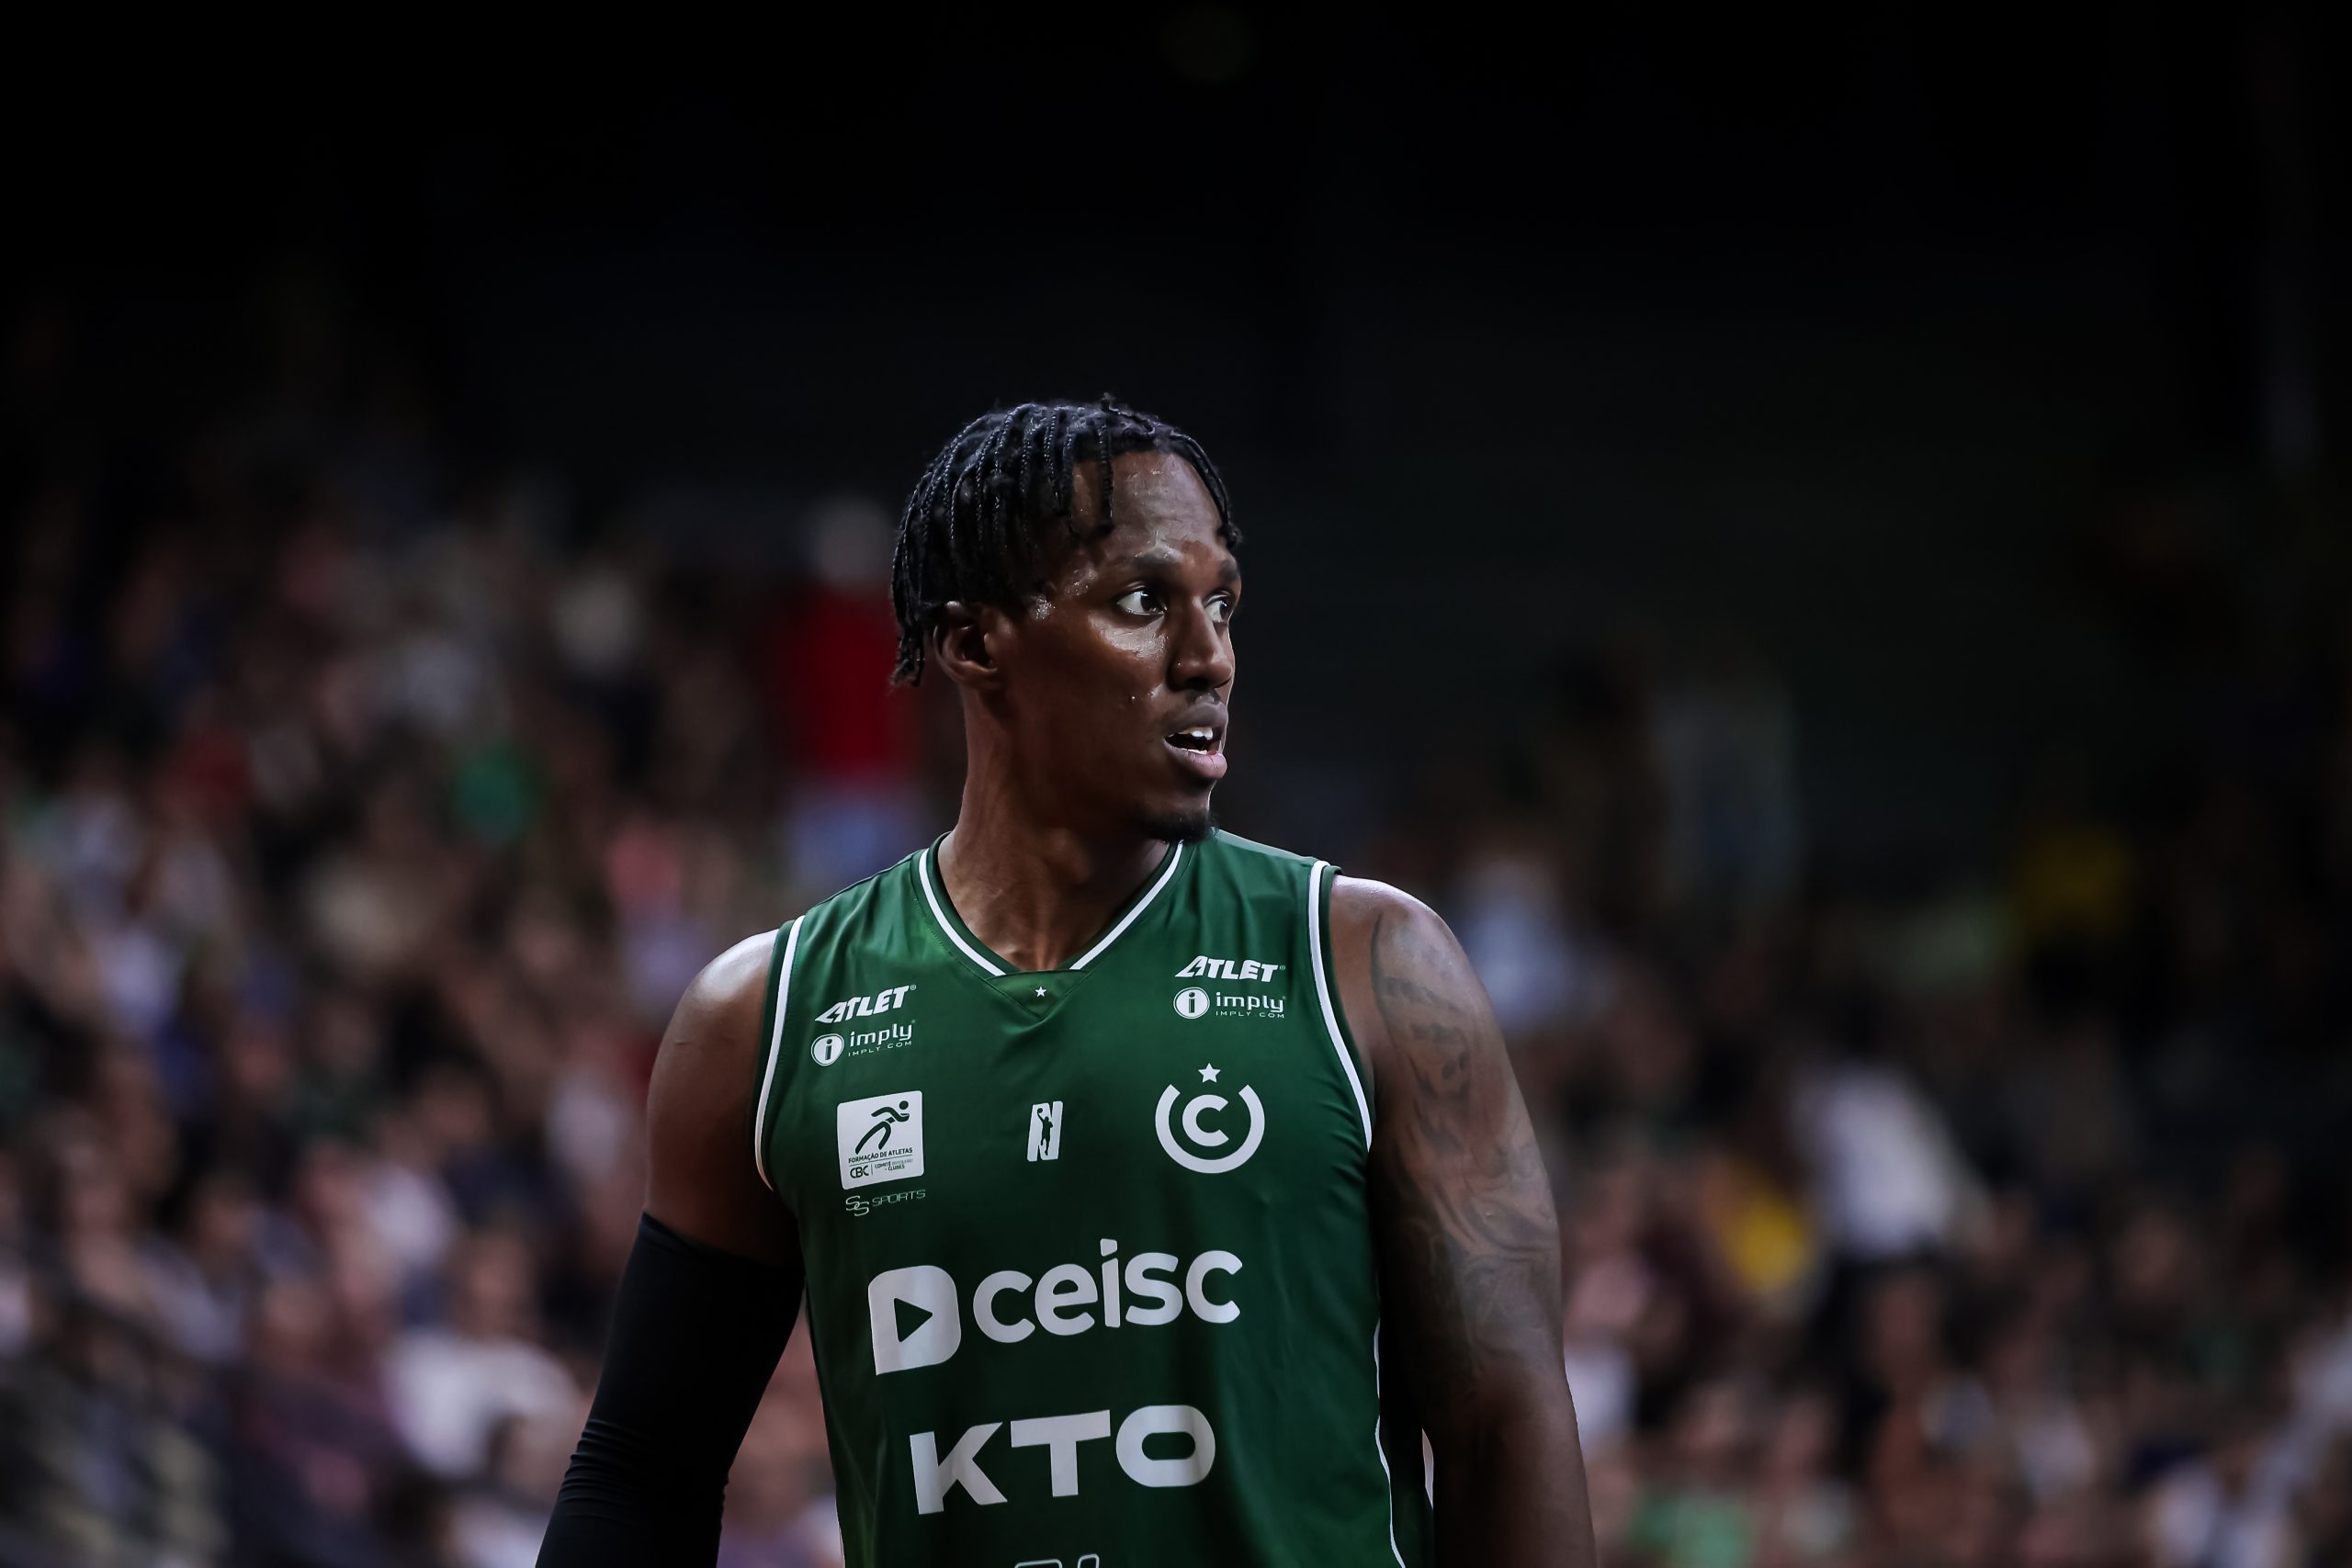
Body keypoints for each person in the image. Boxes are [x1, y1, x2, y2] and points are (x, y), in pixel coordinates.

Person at [537, 398, 1595, 1566]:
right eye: (1142, 602)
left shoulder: (1370, 960)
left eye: (1222, 604)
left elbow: (1505, 1427)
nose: (1208, 657)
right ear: (974, 644)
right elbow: (643, 1473)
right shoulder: (766, 1019)